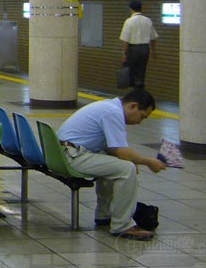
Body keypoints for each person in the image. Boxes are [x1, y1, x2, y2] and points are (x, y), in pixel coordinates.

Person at [57, 89, 166, 240]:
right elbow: (121, 151)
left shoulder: (108, 107)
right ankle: (123, 225)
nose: (139, 122)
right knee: (127, 169)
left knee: (116, 163)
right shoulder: (113, 112)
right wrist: (149, 162)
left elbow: (113, 149)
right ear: (133, 106)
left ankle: (105, 215)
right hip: (71, 156)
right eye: (142, 116)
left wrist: (131, 159)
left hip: (65, 153)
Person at [119, 0, 158, 89]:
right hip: (145, 48)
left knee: (131, 71)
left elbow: (125, 39)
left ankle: (133, 91)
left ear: (131, 9)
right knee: (141, 71)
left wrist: (124, 53)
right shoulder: (148, 20)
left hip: (133, 49)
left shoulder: (129, 21)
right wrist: (153, 51)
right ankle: (140, 89)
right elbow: (153, 38)